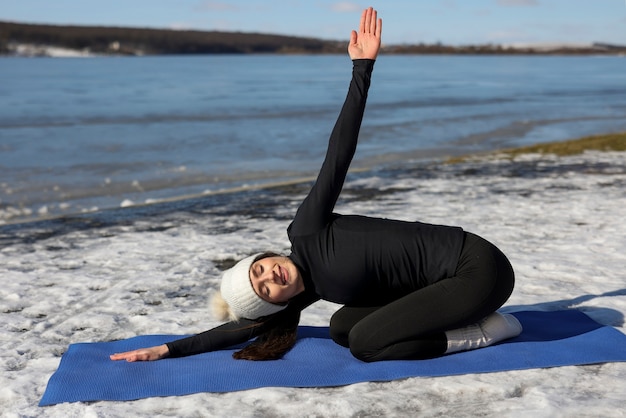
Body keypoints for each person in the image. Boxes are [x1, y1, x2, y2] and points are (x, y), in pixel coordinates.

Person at [110, 7, 521, 364]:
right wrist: (168, 349)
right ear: (277, 303)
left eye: (259, 269)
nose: (271, 276)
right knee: (343, 326)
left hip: (478, 268)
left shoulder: (306, 231)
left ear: (264, 255)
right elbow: (242, 331)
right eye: (265, 289)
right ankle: (462, 314)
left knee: (365, 344)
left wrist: (363, 69)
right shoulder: (311, 289)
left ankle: (487, 331)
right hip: (445, 284)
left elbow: (338, 154)